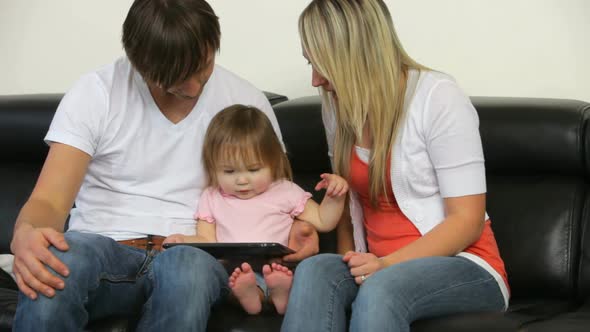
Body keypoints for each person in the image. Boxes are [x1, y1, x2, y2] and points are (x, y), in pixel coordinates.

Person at [10, 0, 318, 330]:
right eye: (178, 80)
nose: (195, 87)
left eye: (203, 68)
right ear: (139, 64)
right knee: (57, 264)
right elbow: (49, 202)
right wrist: (26, 234)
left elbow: (277, 196)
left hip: (192, 252)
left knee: (185, 267)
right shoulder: (96, 92)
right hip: (105, 248)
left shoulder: (247, 103)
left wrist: (301, 230)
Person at [281, 0, 510, 331]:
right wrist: (349, 262)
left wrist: (385, 265)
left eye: (324, 65)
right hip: (376, 264)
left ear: (354, 56)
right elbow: (347, 203)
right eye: (310, 64)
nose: (316, 81)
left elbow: (467, 221)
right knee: (316, 270)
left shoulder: (438, 97)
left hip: (464, 264)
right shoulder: (337, 104)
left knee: (381, 288)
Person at [163, 104, 348, 315]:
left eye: (253, 169)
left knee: (282, 274)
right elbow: (206, 239)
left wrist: (335, 196)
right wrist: (183, 241)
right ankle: (254, 296)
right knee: (234, 281)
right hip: (235, 270)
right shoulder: (212, 197)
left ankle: (281, 294)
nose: (242, 180)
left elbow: (324, 221)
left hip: (279, 266)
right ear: (213, 166)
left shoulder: (285, 191)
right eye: (229, 171)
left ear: (273, 162)